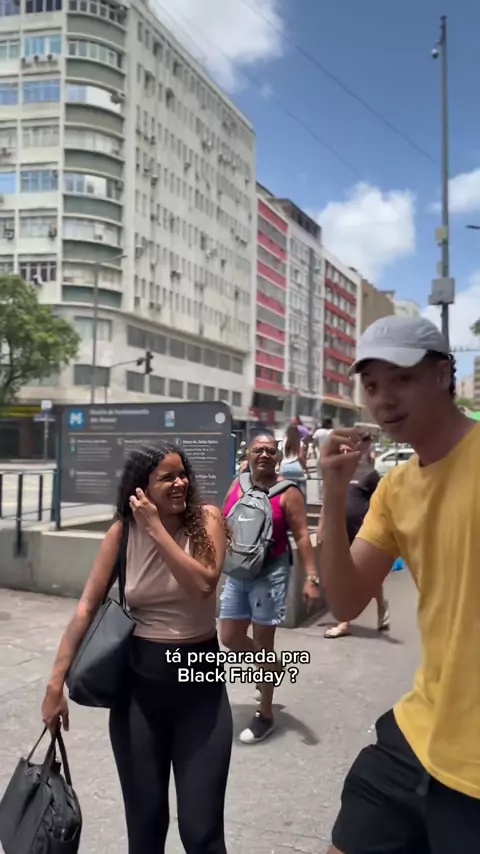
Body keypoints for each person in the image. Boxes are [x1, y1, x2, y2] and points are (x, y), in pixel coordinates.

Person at [320, 315, 480, 853]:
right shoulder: (394, 488)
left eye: (402, 378)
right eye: (371, 385)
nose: (384, 399)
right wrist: (334, 491)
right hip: (417, 732)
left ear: (443, 374)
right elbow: (346, 600)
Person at [41, 444, 232, 854]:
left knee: (202, 832)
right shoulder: (123, 533)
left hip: (201, 689)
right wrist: (55, 684)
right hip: (139, 694)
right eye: (167, 477)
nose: (180, 483)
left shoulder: (207, 519)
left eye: (183, 474)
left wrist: (156, 528)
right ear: (140, 488)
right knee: (145, 829)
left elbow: (203, 584)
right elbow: (86, 606)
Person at [219, 433, 320, 744]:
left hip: (270, 574)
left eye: (270, 451)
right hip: (238, 571)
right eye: (258, 450)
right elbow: (223, 522)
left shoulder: (289, 492)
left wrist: (311, 577)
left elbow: (302, 536)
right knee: (229, 637)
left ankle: (265, 713)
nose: (264, 455)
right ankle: (272, 666)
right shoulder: (237, 484)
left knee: (264, 642)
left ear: (278, 457)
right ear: (249, 453)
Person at [317, 443, 389, 638]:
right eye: (342, 450)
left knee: (366, 575)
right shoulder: (335, 473)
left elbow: (381, 503)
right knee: (345, 572)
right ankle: (345, 622)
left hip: (361, 529)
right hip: (339, 529)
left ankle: (380, 606)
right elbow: (327, 501)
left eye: (348, 450)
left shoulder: (370, 474)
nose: (344, 453)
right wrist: (322, 526)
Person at [279, 423, 308, 498]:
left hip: (284, 467)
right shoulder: (300, 443)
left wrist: (279, 468)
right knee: (301, 490)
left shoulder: (283, 442)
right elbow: (300, 457)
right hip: (296, 467)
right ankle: (302, 502)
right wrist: (306, 470)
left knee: (285, 489)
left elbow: (280, 457)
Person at [313, 418, 333, 500]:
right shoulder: (333, 432)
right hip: (331, 456)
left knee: (319, 476)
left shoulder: (318, 432)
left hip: (320, 455)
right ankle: (328, 495)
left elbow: (315, 444)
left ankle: (321, 496)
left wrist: (317, 451)